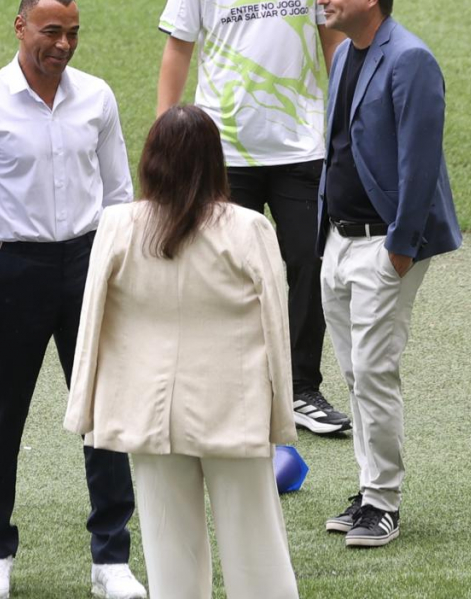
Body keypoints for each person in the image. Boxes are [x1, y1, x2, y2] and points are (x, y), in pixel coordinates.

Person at [0, 0, 146, 599]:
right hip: (15, 272)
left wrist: (121, 273)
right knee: (1, 416)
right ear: (20, 27)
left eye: (73, 33)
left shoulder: (97, 97)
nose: (63, 44)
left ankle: (111, 558)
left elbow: (119, 194)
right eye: (51, 31)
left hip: (88, 264)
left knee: (102, 415)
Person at [64, 104, 299, 599]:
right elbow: (277, 326)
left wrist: (87, 407)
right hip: (233, 407)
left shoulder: (118, 224)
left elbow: (92, 320)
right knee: (256, 545)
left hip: (150, 411)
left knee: (169, 552)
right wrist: (280, 417)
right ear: (215, 161)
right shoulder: (248, 228)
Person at [156, 0, 350, 435]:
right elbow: (179, 48)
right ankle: (229, 388)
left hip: (301, 146)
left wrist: (346, 114)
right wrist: (166, 134)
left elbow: (332, 40)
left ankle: (301, 388)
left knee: (308, 263)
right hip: (224, 151)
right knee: (225, 271)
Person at [315, 0, 461, 547]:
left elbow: (420, 163)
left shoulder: (411, 60)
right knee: (355, 372)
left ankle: (383, 502)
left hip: (384, 246)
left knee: (373, 371)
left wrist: (399, 249)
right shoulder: (345, 53)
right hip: (339, 240)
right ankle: (368, 488)